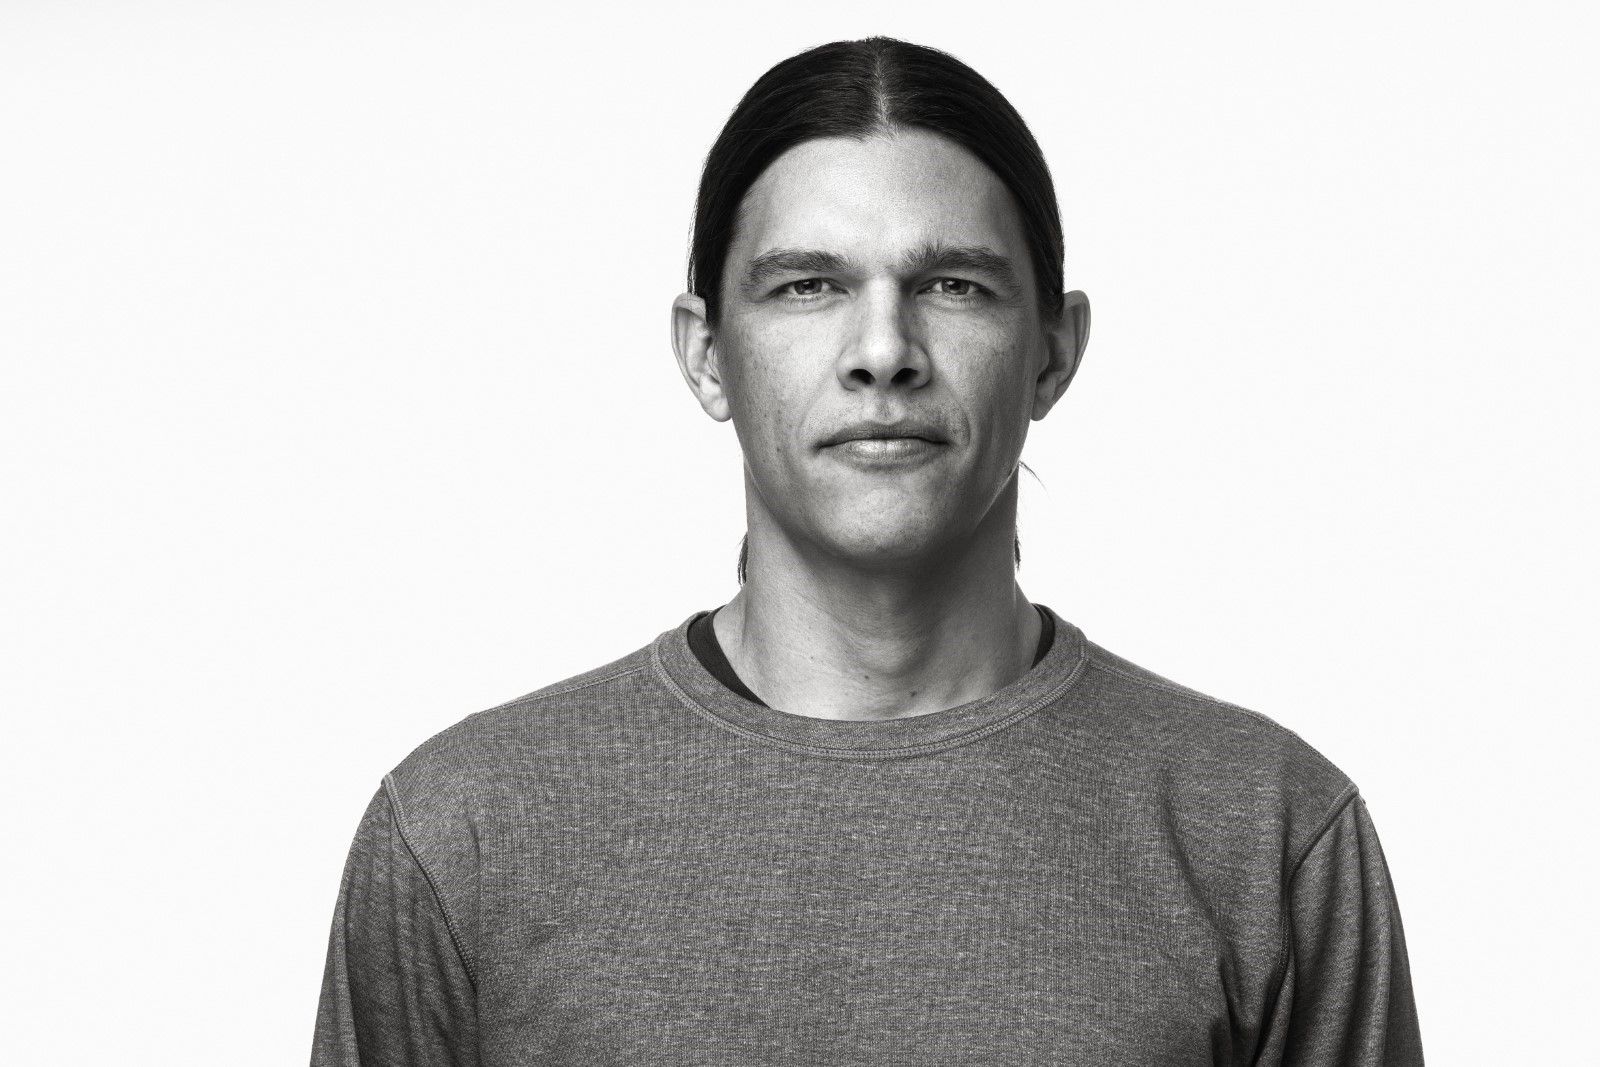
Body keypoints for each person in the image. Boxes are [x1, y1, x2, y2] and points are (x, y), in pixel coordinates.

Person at [312, 37, 1423, 1065]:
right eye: (809, 285)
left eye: (953, 285)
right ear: (707, 355)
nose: (883, 350)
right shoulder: (465, 833)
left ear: (1052, 352)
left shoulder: (1264, 832)